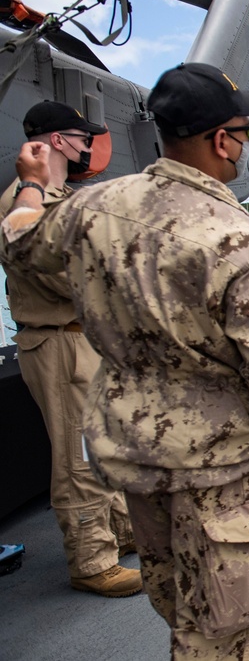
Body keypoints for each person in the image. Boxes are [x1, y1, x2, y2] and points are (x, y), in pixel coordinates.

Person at [1, 63, 249, 659]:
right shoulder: (240, 240)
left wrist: (34, 186)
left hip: (137, 458)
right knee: (227, 630)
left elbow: (20, 244)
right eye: (245, 133)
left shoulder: (94, 208)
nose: (246, 145)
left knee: (177, 603)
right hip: (220, 472)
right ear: (223, 142)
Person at [0, 101, 140, 597]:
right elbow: (65, 275)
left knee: (105, 441)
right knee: (79, 453)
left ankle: (121, 534)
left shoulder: (57, 198)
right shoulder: (25, 201)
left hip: (85, 338)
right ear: (57, 141)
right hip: (60, 339)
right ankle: (91, 560)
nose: (88, 148)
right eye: (82, 139)